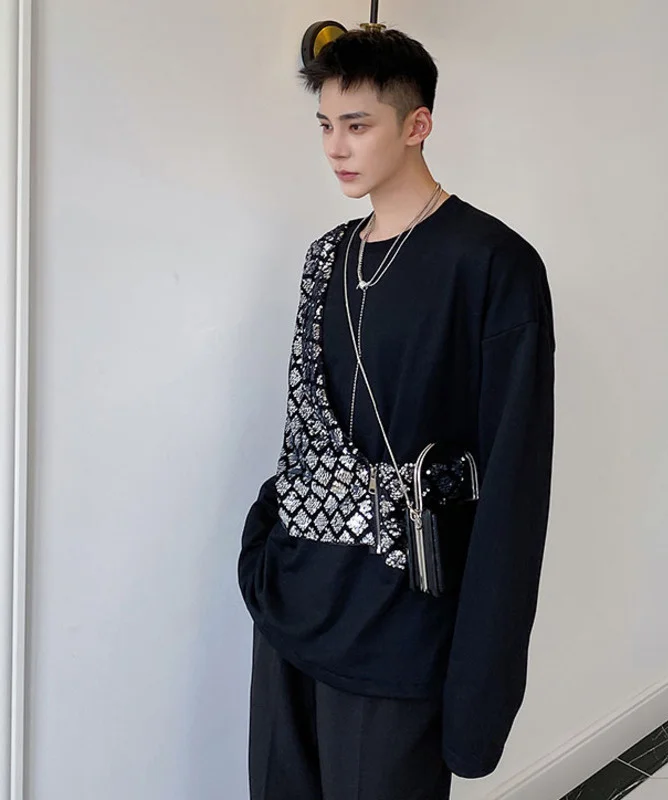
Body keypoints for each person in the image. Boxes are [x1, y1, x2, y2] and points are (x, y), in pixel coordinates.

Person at [237, 25, 555, 800]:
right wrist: (263, 554)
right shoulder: (326, 257)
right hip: (294, 608)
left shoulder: (494, 264)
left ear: (418, 124)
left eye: (357, 125)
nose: (335, 147)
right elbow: (302, 436)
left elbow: (514, 487)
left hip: (400, 631)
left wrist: (481, 689)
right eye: (325, 125)